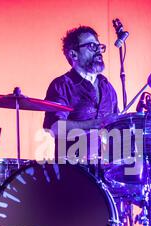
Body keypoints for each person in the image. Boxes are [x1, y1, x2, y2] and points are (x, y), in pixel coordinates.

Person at [43, 26, 119, 163]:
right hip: (73, 172)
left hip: (105, 172)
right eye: (91, 46)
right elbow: (55, 128)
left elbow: (117, 128)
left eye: (99, 46)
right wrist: (96, 123)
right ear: (73, 54)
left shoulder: (107, 87)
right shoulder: (62, 85)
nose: (98, 51)